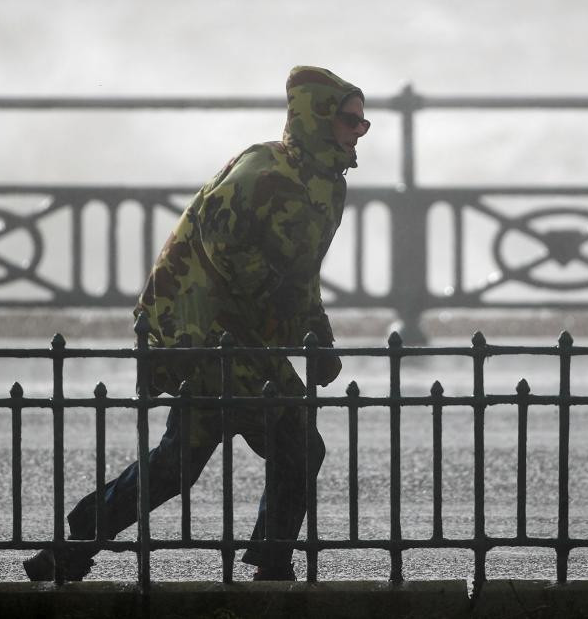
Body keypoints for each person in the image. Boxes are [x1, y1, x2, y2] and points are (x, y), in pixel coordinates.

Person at [24, 65, 369, 582]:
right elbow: (223, 246)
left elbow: (303, 271)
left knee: (180, 465)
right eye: (350, 121)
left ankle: (75, 547)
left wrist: (316, 335)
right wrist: (292, 322)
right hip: (205, 336)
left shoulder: (326, 185)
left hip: (244, 343)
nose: (358, 133)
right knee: (282, 447)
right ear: (318, 119)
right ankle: (270, 563)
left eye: (363, 124)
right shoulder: (262, 174)